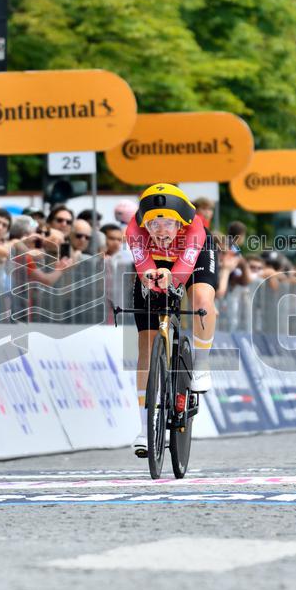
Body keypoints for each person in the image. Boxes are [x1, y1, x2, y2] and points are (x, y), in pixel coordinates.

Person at [125, 183, 217, 458]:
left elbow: (184, 270)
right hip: (155, 263)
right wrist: (151, 277)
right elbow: (144, 269)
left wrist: (173, 279)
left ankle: (201, 362)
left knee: (201, 300)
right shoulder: (133, 230)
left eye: (167, 223)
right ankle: (144, 429)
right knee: (146, 343)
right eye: (154, 224)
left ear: (179, 221)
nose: (161, 231)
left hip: (193, 257)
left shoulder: (195, 228)